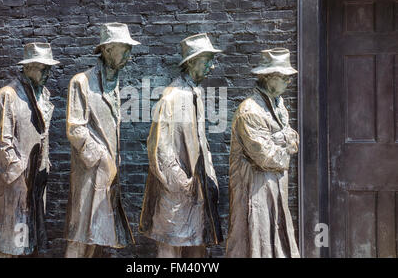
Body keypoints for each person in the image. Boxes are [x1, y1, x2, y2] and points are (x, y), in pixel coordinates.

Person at [140, 33, 223, 258]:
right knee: (171, 245)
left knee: (197, 244)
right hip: (175, 190)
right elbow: (159, 147)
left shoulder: (195, 94)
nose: (212, 67)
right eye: (207, 60)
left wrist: (209, 177)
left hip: (196, 188)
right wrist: (180, 183)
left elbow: (201, 142)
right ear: (192, 62)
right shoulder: (171, 97)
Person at [65, 23, 140, 258]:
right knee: (80, 236)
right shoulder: (82, 82)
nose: (129, 54)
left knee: (97, 235)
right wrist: (102, 159)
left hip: (107, 176)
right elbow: (75, 129)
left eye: (129, 49)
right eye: (124, 48)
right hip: (89, 173)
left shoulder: (115, 84)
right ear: (107, 50)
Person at [226, 48, 300, 258]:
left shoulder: (278, 106)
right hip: (254, 188)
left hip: (273, 185)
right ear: (268, 78)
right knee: (256, 241)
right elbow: (268, 157)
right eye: (284, 77)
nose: (288, 82)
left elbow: (294, 139)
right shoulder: (250, 111)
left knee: (276, 238)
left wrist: (282, 140)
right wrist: (284, 142)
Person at [0, 42, 59, 257]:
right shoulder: (8, 95)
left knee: (29, 238)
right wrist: (18, 173)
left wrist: (43, 167)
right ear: (27, 67)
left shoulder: (42, 94)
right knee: (12, 239)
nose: (47, 72)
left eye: (49, 68)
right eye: (42, 67)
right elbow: (2, 141)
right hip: (16, 183)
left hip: (36, 181)